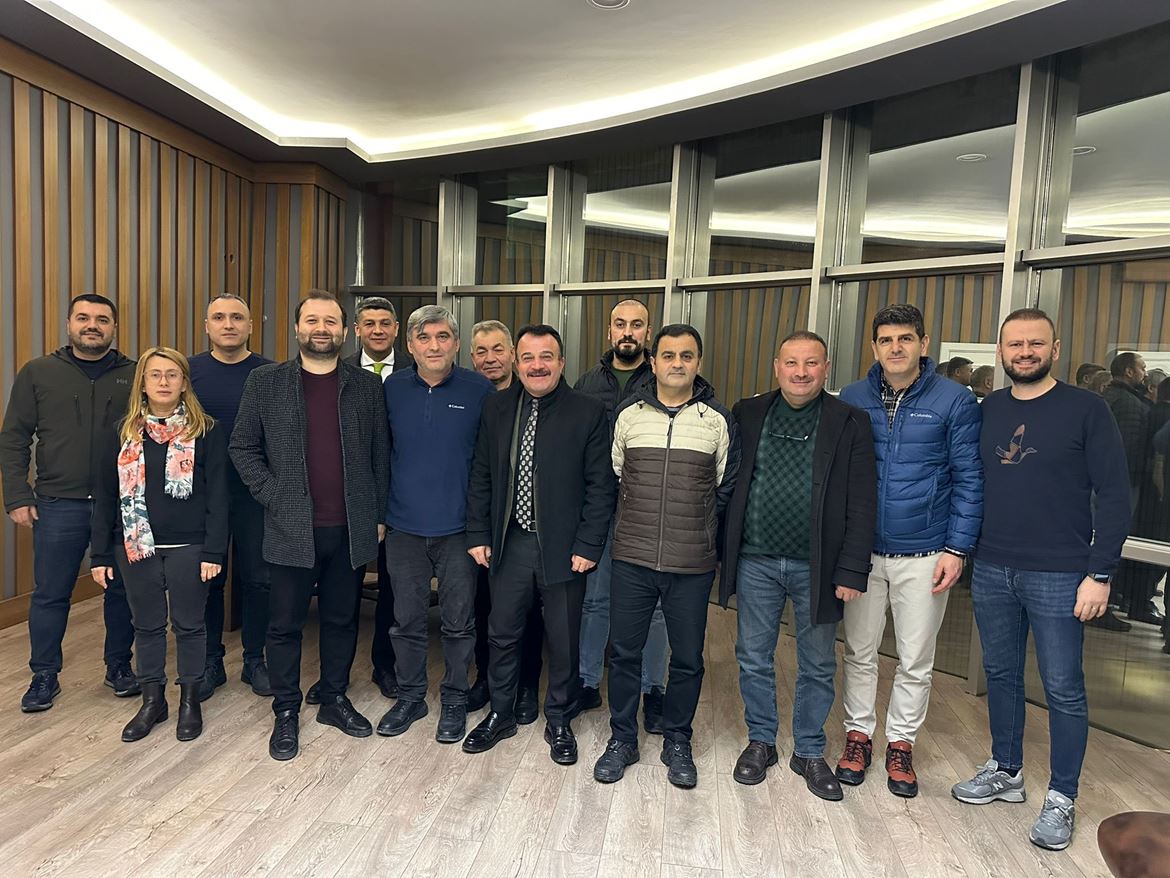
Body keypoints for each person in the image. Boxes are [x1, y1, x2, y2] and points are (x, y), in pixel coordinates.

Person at [951, 308, 1130, 852]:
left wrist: (1100, 573)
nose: (1024, 352)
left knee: (1063, 688)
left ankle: (1062, 796)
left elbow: (1116, 495)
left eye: (1035, 343)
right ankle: (1006, 771)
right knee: (1001, 674)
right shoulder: (987, 410)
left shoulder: (1088, 409)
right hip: (993, 566)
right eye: (1015, 344)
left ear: (1054, 349)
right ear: (1000, 352)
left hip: (1061, 572)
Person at [231, 290, 390, 761]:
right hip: (290, 527)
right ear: (297, 328)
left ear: (344, 331)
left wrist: (378, 515)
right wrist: (274, 495)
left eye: (331, 321)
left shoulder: (366, 386)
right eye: (313, 320)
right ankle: (285, 709)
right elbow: (242, 447)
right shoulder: (266, 382)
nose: (322, 329)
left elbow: (381, 456)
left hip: (351, 528)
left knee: (342, 619)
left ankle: (334, 697)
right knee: (284, 624)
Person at [720, 330, 876, 799]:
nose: (801, 372)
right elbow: (729, 480)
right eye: (791, 363)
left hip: (819, 566)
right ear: (777, 367)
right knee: (753, 656)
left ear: (826, 369)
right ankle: (761, 742)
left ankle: (808, 750)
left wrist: (852, 569)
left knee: (817, 662)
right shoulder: (748, 413)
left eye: (811, 363)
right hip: (756, 559)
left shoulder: (849, 420)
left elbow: (862, 500)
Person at [836, 304, 982, 798]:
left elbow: (969, 478)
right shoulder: (853, 397)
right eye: (886, 340)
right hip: (862, 552)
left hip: (925, 553)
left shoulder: (954, 399)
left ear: (923, 343)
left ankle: (901, 744)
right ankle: (858, 736)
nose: (895, 348)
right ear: (874, 347)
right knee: (859, 652)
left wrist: (957, 547)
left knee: (915, 658)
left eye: (905, 338)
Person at [592, 324, 739, 789]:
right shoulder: (628, 415)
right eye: (669, 355)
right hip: (632, 558)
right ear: (653, 363)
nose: (677, 363)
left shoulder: (716, 420)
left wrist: (698, 527)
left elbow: (724, 485)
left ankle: (677, 738)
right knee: (623, 654)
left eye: (687, 356)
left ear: (698, 363)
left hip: (691, 563)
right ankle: (622, 738)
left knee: (689, 658)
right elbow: (616, 476)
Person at [463, 324, 613, 766]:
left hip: (565, 549)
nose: (537, 365)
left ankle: (559, 719)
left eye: (546, 356)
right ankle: (501, 713)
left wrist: (589, 544)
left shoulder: (587, 411)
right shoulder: (495, 407)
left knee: (563, 639)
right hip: (509, 543)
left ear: (561, 362)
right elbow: (482, 474)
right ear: (516, 362)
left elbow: (601, 485)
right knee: (502, 634)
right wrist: (478, 533)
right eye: (528, 357)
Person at [0, 293, 139, 712]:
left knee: (122, 591)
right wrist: (17, 494)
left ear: (114, 327)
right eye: (83, 317)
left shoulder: (134, 374)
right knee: (51, 593)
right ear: (69, 324)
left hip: (121, 504)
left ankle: (119, 666)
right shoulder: (39, 372)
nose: (92, 325)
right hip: (59, 503)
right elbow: (14, 437)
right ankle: (44, 674)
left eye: (102, 319)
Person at [91, 347, 228, 743]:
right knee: (147, 625)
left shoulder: (207, 431)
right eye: (155, 375)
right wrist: (100, 553)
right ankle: (153, 701)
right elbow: (106, 496)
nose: (164, 382)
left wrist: (213, 551)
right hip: (137, 545)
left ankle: (189, 700)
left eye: (172, 374)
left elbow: (219, 497)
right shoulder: (121, 432)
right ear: (143, 383)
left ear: (184, 383)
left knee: (190, 625)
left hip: (190, 546)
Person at [378, 305, 494, 743]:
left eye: (443, 336)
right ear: (409, 345)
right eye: (424, 338)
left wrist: (481, 527)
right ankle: (410, 696)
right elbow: (380, 454)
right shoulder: (391, 388)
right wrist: (379, 516)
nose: (433, 345)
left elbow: (487, 465)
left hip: (459, 531)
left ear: (457, 343)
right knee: (405, 620)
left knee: (459, 623)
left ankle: (455, 699)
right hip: (403, 527)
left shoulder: (479, 389)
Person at [573, 298, 669, 732]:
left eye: (637, 324)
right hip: (599, 509)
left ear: (648, 332)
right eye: (620, 324)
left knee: (654, 608)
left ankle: (653, 689)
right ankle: (587, 682)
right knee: (594, 601)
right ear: (609, 331)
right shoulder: (587, 382)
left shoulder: (663, 378)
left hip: (650, 512)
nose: (627, 332)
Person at [188, 294, 273, 701]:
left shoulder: (271, 373)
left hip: (254, 492)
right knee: (209, 579)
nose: (228, 324)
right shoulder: (189, 372)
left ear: (250, 326)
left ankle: (255, 659)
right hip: (202, 495)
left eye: (237, 317)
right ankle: (211, 661)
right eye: (219, 317)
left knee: (259, 579)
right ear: (207, 326)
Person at [466, 320, 544, 719]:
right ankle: (487, 679)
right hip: (482, 526)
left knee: (528, 614)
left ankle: (527, 685)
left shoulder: (533, 395)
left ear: (512, 354)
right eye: (481, 351)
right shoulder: (469, 396)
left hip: (522, 532)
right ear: (471, 357)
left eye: (498, 349)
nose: (490, 358)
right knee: (484, 608)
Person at [339, 296, 409, 704]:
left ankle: (385, 666)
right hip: (353, 498)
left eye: (385, 323)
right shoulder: (339, 370)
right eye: (370, 323)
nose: (378, 330)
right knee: (345, 592)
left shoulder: (415, 369)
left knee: (393, 590)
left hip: (402, 498)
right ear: (357, 330)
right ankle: (337, 673)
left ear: (397, 329)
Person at [1103, 352, 1164, 626]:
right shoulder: (1129, 404)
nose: (1144, 372)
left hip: (1114, 482)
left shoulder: (1113, 398)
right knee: (1112, 539)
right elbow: (1125, 450)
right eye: (1142, 367)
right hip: (1121, 483)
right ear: (1129, 371)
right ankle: (1102, 606)